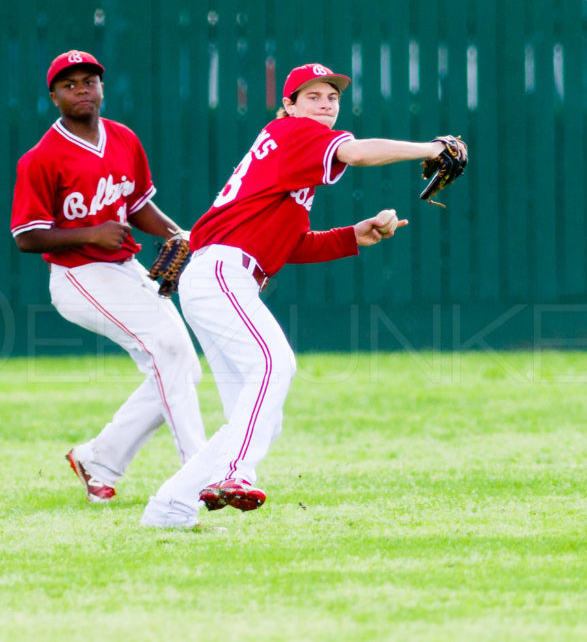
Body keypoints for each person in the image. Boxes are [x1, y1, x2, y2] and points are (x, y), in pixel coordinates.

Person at [140, 62, 467, 528]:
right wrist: (431, 147)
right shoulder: (292, 133)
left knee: (257, 419)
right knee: (275, 363)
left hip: (223, 276)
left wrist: (354, 236)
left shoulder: (294, 163)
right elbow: (356, 153)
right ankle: (235, 474)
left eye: (331, 97)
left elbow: (290, 244)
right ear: (288, 106)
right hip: (222, 275)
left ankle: (169, 508)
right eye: (312, 96)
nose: (325, 104)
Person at [10, 50, 206, 503]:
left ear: (102, 88)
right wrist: (90, 233)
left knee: (182, 367)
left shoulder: (123, 138)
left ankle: (98, 458)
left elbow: (137, 205)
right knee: (170, 351)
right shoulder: (41, 158)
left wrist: (179, 234)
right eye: (70, 84)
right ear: (54, 96)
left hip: (124, 268)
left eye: (89, 81)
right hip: (78, 275)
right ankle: (199, 472)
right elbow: (26, 236)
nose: (82, 89)